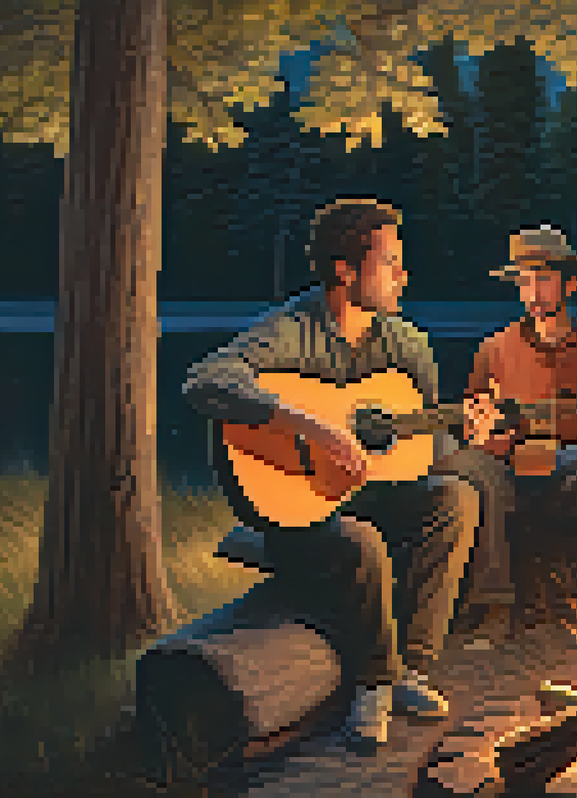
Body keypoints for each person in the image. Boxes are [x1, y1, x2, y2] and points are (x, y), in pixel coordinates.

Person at [182, 197, 483, 750]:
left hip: (370, 494)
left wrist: (465, 435)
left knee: (456, 498)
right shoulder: (293, 329)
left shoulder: (408, 345)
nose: (403, 276)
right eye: (389, 263)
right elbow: (206, 381)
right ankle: (374, 683)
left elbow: (421, 451)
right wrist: (310, 427)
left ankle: (412, 668)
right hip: (295, 506)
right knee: (358, 538)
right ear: (344, 271)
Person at [440, 225, 577, 636]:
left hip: (572, 476)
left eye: (544, 280)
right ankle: (493, 606)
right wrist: (484, 436)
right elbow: (478, 427)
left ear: (570, 283)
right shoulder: (493, 351)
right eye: (524, 282)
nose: (533, 293)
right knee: (465, 463)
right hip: (512, 474)